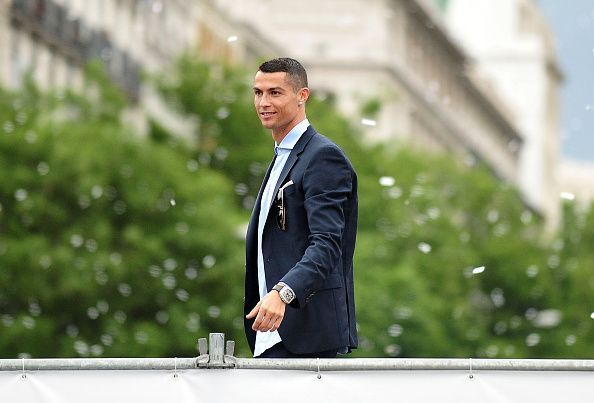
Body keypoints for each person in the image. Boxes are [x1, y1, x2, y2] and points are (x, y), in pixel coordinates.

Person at [244, 57, 358, 358]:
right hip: (271, 336)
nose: (263, 102)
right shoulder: (282, 157)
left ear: (302, 96)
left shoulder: (323, 157)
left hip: (309, 337)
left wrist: (283, 293)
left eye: (275, 93)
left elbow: (327, 245)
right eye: (258, 93)